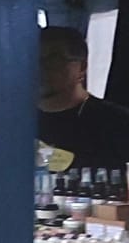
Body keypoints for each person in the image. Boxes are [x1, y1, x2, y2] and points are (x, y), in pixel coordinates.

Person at [38, 26, 129, 170]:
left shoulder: (118, 124)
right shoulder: (12, 124)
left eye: (54, 60)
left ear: (82, 67)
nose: (41, 68)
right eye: (33, 59)